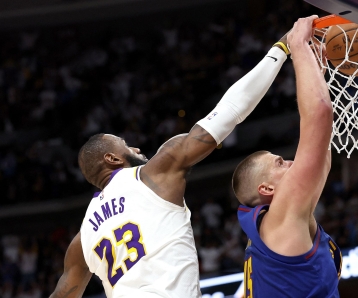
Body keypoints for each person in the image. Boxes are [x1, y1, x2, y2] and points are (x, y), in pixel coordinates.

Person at [50, 32, 291, 297]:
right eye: (125, 144)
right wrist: (280, 50)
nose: (136, 148)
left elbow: (63, 293)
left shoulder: (82, 238)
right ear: (112, 158)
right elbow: (229, 112)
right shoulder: (152, 174)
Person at [232, 16, 341, 297]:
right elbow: (320, 114)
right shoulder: (281, 219)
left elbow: (321, 156)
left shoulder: (275, 229)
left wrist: (315, 69)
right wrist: (298, 46)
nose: (291, 161)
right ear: (266, 189)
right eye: (280, 163)